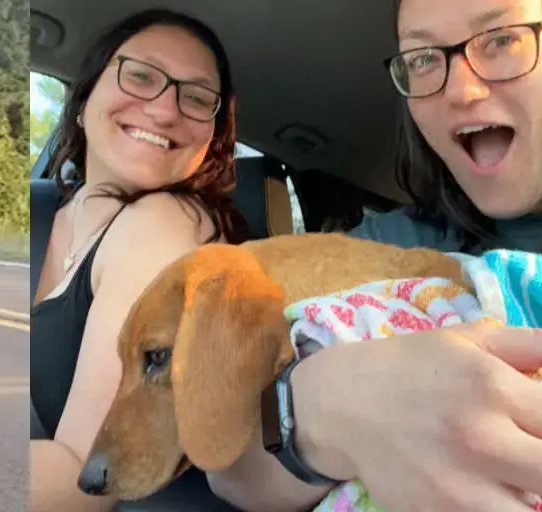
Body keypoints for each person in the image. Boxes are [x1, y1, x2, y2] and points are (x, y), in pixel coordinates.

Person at [206, 0, 542, 510]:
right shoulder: (389, 249)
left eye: (501, 39)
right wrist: (326, 405)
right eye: (424, 57)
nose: (462, 89)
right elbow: (228, 470)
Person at [29, 8, 247, 511]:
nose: (166, 111)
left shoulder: (167, 224)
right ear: (83, 100)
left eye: (195, 98)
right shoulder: (49, 213)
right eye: (142, 76)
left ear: (211, 140)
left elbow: (84, 478)